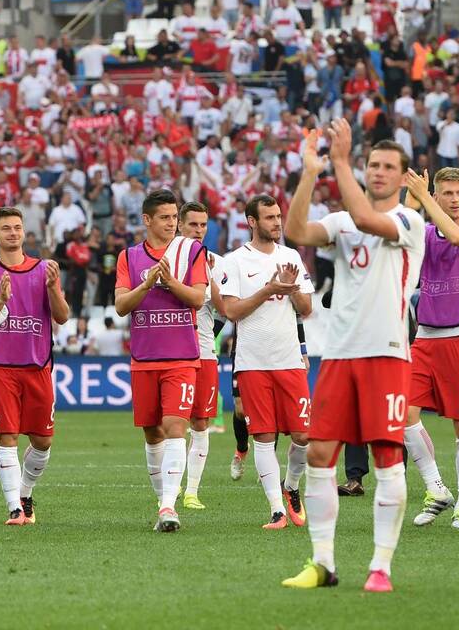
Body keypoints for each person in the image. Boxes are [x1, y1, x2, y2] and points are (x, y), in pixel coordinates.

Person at [282, 123, 425, 592]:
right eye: (372, 165)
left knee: (387, 457)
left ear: (403, 177)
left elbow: (368, 221)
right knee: (320, 452)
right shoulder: (341, 222)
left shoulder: (410, 222)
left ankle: (380, 567)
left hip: (386, 353)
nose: (379, 172)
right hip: (340, 354)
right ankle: (323, 563)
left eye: (388, 167)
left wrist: (339, 162)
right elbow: (296, 229)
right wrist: (309, 174)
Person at [401, 167, 459, 530]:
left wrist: (423, 197)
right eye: (447, 193)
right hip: (424, 338)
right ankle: (436, 489)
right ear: (437, 196)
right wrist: (413, 198)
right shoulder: (423, 234)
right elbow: (403, 227)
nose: (455, 199)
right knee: (404, 416)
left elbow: (457, 236)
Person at [0, 207, 70, 524]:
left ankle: (25, 493)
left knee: (42, 441)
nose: (13, 232)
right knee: (6, 436)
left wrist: (53, 287)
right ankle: (14, 508)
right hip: (1, 368)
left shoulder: (44, 270)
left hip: (38, 366)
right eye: (6, 228)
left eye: (17, 227)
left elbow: (63, 317)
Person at [114, 189, 208, 532]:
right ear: (147, 220)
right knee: (152, 433)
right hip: (144, 358)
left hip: (182, 357)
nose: (172, 224)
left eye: (174, 217)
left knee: (175, 427)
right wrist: (148, 284)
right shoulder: (129, 256)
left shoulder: (191, 251)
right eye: (165, 218)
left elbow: (197, 298)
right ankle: (162, 501)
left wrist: (170, 282)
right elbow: (122, 305)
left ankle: (169, 506)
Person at [220, 195, 314, 529]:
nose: (276, 222)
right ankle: (276, 510)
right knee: (263, 435)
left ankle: (291, 488)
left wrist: (290, 290)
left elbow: (306, 309)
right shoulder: (234, 262)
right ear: (251, 221)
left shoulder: (291, 257)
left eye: (278, 216)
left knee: (304, 435)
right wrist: (268, 289)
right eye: (269, 217)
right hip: (253, 362)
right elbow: (230, 311)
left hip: (289, 360)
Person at [176, 201, 226, 510]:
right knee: (170, 425)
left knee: (201, 422)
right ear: (179, 225)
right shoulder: (167, 258)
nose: (198, 230)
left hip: (204, 353)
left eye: (203, 225)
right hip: (170, 353)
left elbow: (224, 311)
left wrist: (209, 277)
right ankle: (168, 488)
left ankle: (191, 491)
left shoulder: (216, 263)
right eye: (193, 224)